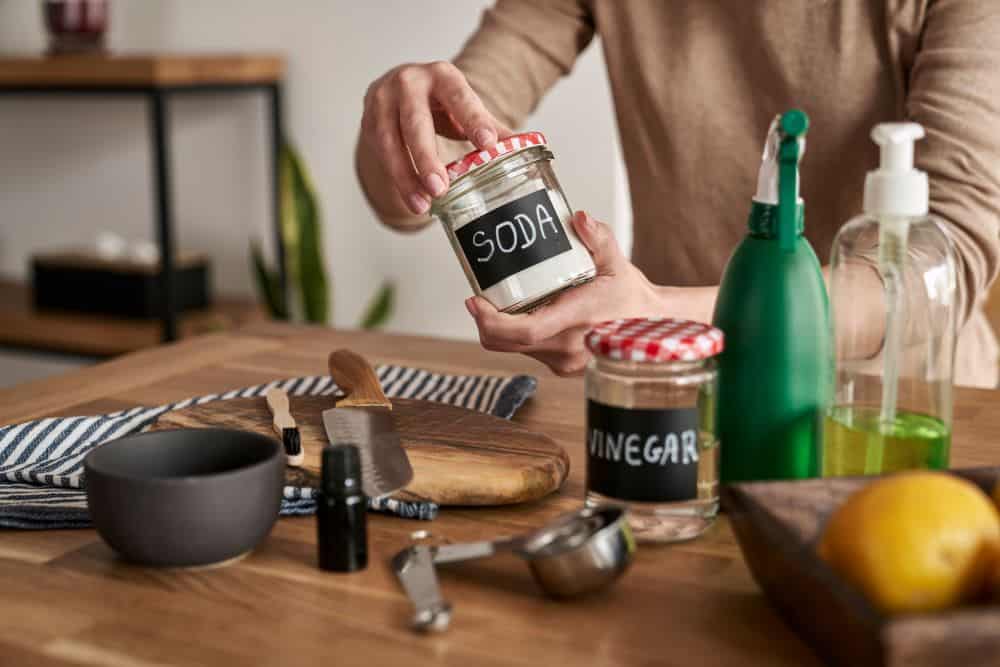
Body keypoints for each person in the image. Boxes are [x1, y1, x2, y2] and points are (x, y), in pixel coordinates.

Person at [356, 1, 1000, 388]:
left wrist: (663, 315)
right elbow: (445, 153)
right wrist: (403, 131)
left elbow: (949, 255)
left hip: (899, 418)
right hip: (674, 399)